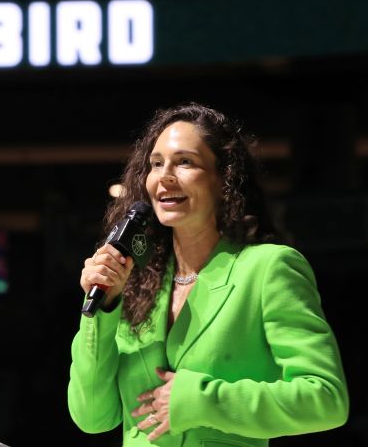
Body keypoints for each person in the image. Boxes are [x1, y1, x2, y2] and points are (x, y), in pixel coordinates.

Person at [68, 102, 349, 446]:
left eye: (184, 162)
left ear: (224, 179)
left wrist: (201, 400)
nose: (165, 175)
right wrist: (102, 310)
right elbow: (93, 418)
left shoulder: (268, 269)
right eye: (156, 164)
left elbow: (326, 399)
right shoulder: (136, 283)